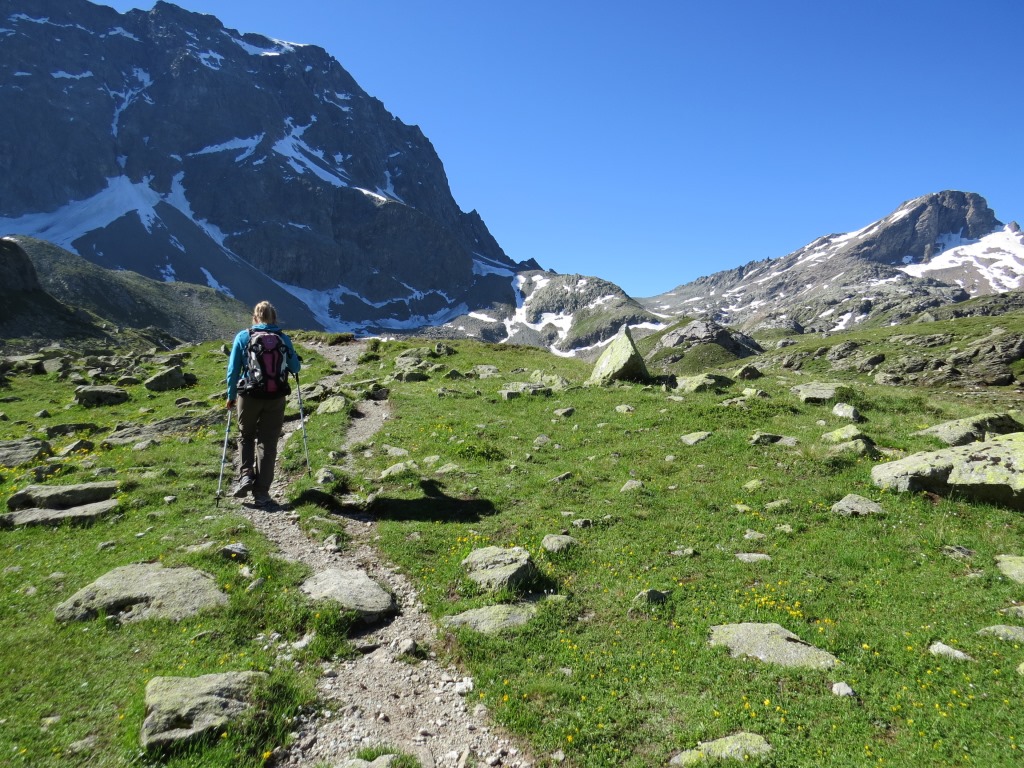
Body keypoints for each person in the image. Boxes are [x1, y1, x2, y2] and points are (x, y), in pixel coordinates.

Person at [225, 301, 301, 506]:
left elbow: (233, 370)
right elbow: (295, 367)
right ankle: (262, 493)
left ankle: (246, 475)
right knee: (268, 443)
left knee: (246, 435)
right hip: (276, 397)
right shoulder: (283, 338)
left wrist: (231, 395)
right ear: (274, 318)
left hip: (248, 396)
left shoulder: (243, 337)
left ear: (255, 317)